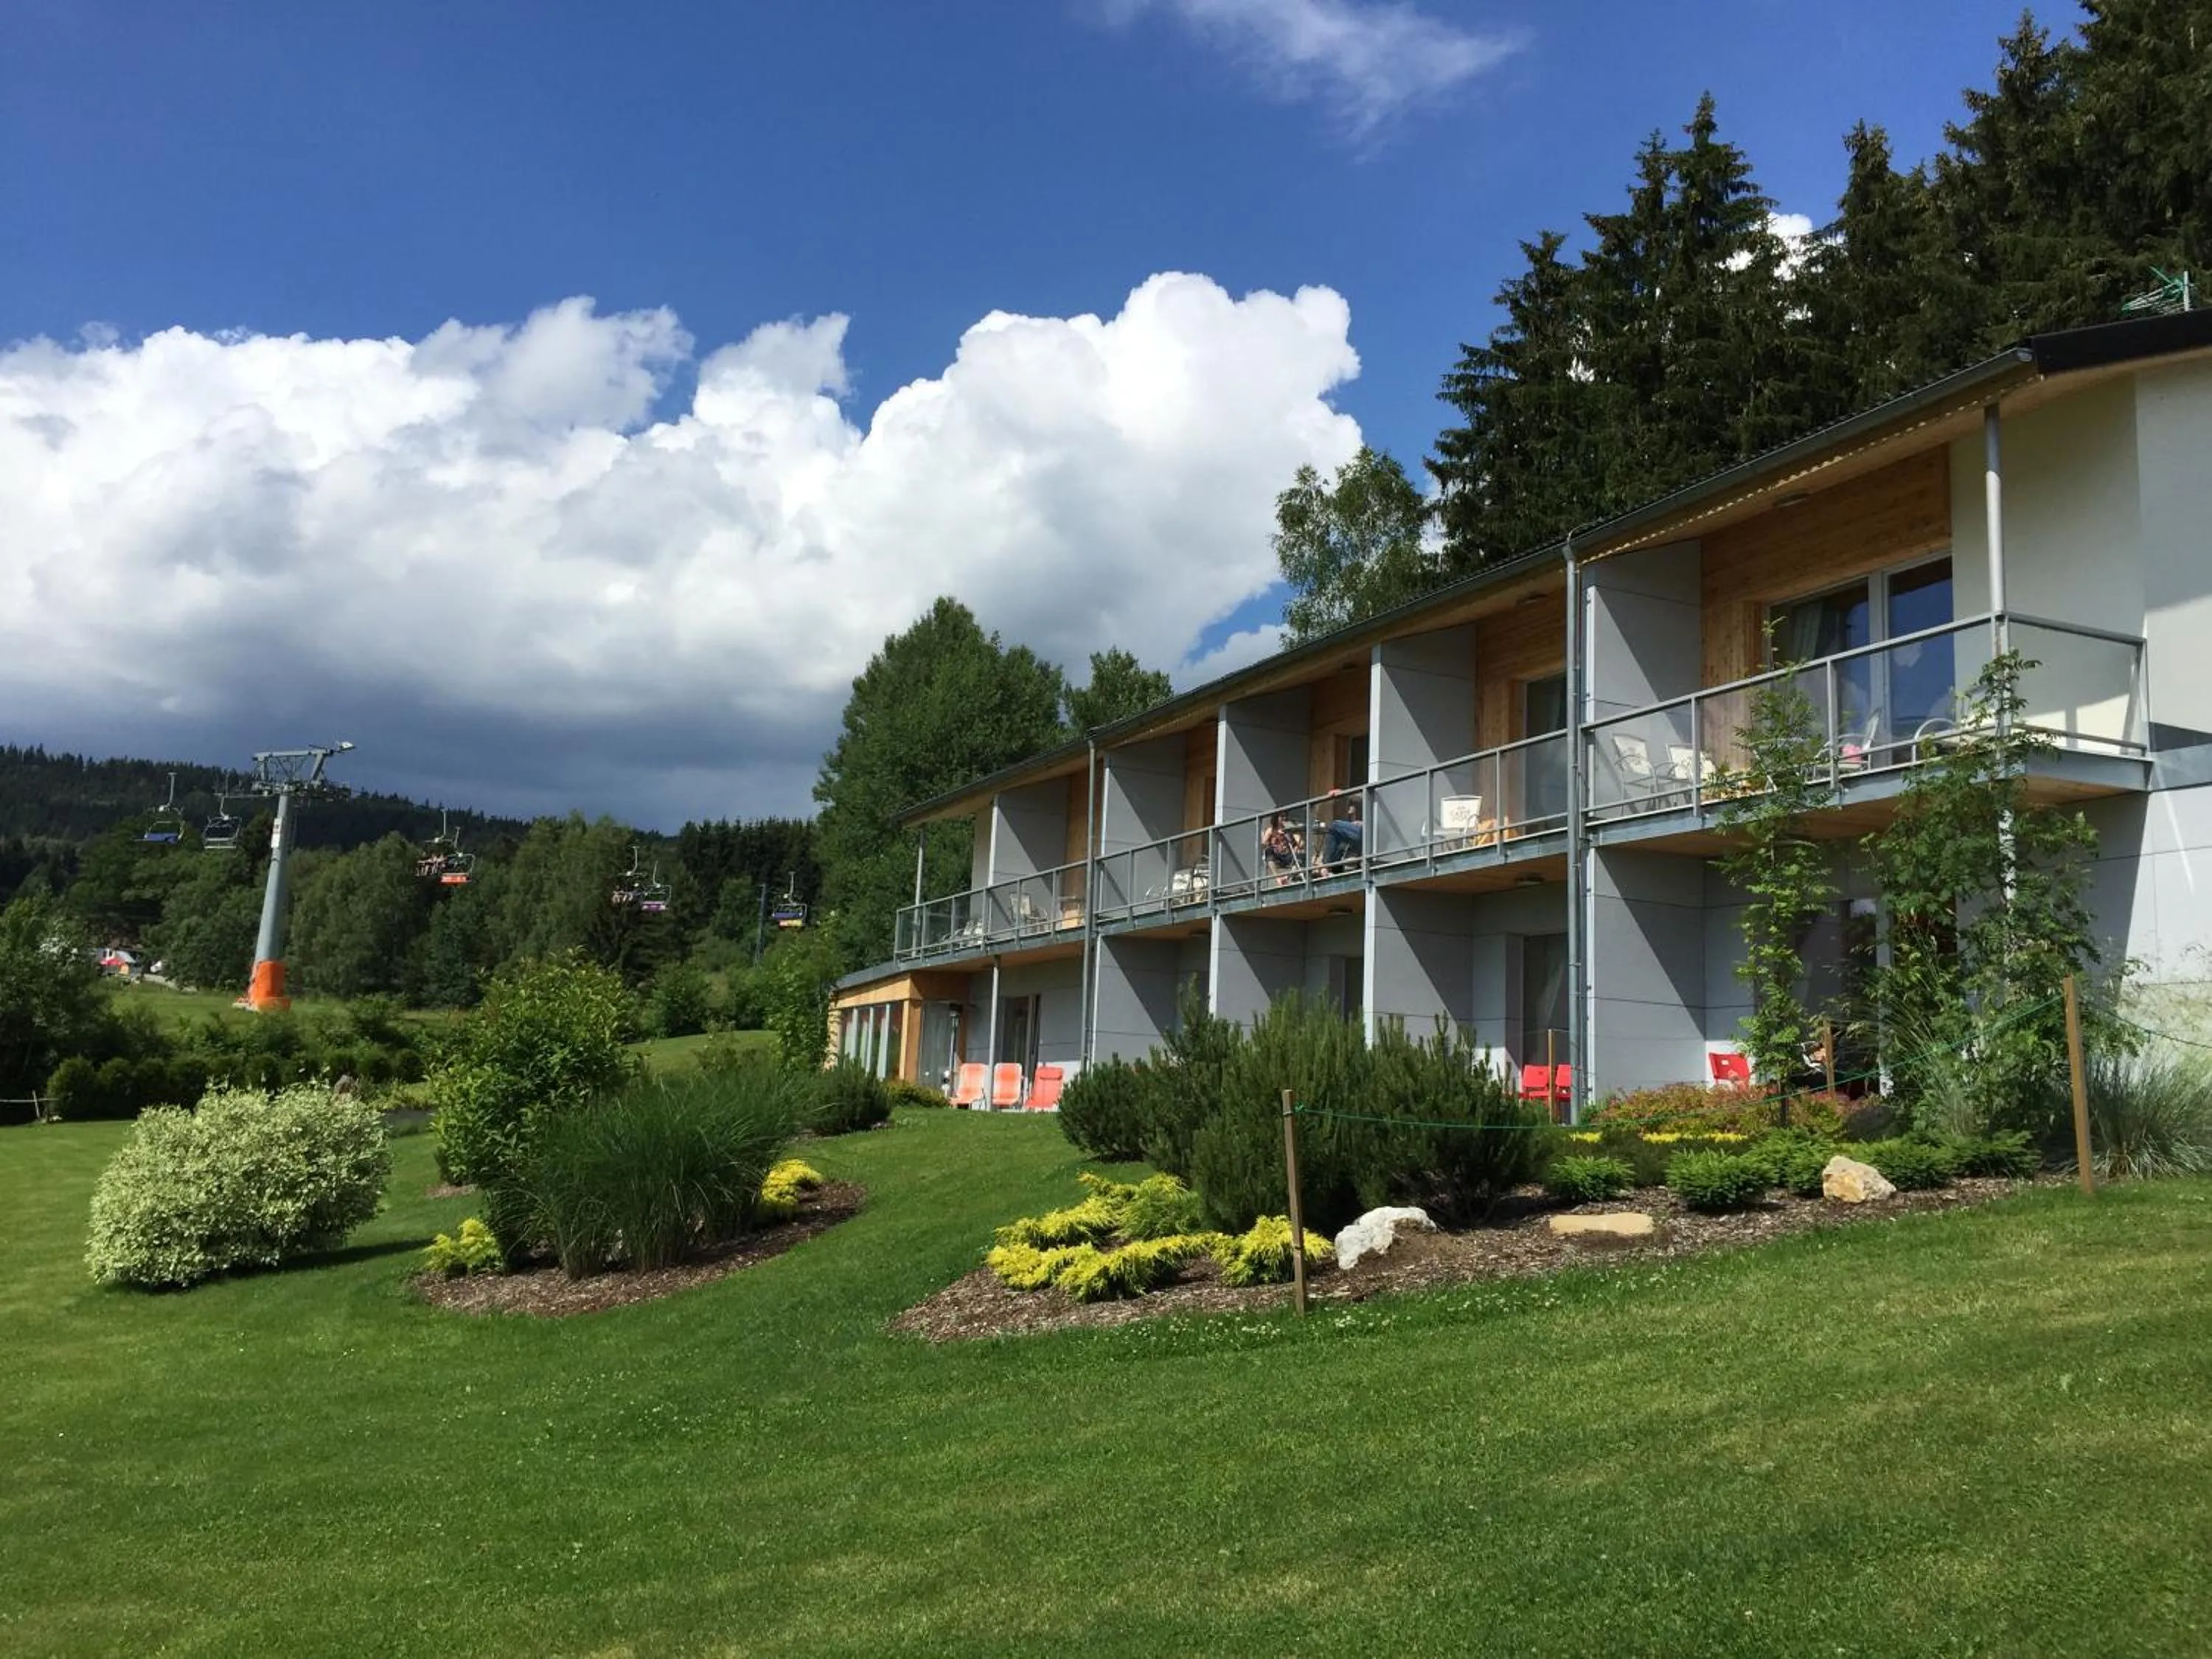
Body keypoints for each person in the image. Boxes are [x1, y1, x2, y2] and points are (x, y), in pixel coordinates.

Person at [1320, 793, 1363, 869]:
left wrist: (1342, 793)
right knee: (1338, 837)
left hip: (1368, 833)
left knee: (1335, 826)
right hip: (1366, 833)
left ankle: (1326, 866)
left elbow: (1365, 794)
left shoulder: (1380, 794)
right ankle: (1333, 867)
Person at [1261, 814, 1302, 883]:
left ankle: (1288, 877)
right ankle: (1278, 877)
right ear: (1276, 818)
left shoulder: (1290, 829)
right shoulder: (1271, 830)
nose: (1284, 818)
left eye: (1285, 816)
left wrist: (1295, 832)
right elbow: (1264, 844)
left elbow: (1300, 844)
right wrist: (1269, 841)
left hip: (1289, 855)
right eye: (1282, 816)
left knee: (1300, 856)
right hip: (1277, 857)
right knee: (1268, 851)